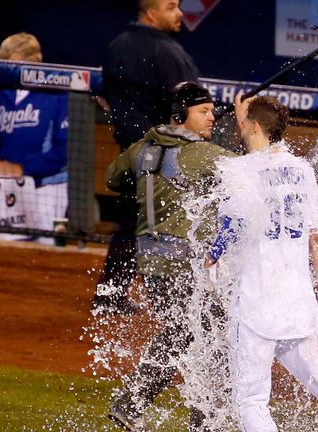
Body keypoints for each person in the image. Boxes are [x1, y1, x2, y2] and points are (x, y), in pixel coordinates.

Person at [206, 95, 318, 432]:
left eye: (244, 122)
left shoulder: (238, 169)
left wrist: (212, 257)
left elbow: (230, 228)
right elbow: (317, 237)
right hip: (299, 308)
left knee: (251, 400)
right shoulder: (302, 170)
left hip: (255, 307)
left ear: (252, 125)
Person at [106, 81, 233, 432]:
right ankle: (138, 405)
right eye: (204, 112)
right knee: (196, 334)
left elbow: (111, 178)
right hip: (183, 264)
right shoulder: (203, 155)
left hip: (151, 263)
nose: (212, 118)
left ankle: (199, 419)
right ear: (181, 116)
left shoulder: (141, 149)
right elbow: (254, 175)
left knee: (193, 334)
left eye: (213, 111)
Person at [95, 0, 200, 313]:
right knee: (177, 225)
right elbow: (188, 105)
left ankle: (110, 292)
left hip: (131, 152)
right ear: (151, 13)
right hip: (166, 155)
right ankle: (175, 303)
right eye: (171, 7)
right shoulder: (169, 53)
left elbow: (105, 98)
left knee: (131, 222)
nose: (180, 13)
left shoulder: (116, 47)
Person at [0, 33, 68, 241]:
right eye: (4, 64)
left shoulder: (57, 94)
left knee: (49, 252)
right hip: (8, 186)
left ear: (33, 62)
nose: (7, 71)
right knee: (8, 250)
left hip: (48, 188)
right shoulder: (3, 92)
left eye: (12, 64)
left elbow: (64, 151)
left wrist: (22, 167)